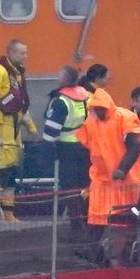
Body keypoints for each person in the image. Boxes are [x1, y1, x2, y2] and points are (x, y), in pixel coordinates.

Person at [75, 89, 140, 267]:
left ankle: (124, 256)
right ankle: (96, 255)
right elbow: (85, 148)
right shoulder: (92, 121)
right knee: (96, 218)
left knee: (124, 220)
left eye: (96, 110)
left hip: (124, 181)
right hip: (101, 180)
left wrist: (122, 169)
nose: (93, 113)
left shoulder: (125, 118)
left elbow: (135, 147)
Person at [0, 39, 39, 222]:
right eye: (22, 53)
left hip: (14, 132)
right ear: (12, 53)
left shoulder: (17, 75)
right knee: (1, 174)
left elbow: (20, 104)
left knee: (11, 174)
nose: (25, 56)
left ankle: (8, 213)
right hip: (2, 131)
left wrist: (31, 127)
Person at [42, 65, 90, 237]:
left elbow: (51, 132)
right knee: (84, 187)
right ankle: (88, 224)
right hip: (85, 148)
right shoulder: (86, 97)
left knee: (69, 190)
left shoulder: (60, 101)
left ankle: (76, 229)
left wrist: (47, 151)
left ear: (63, 80)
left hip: (66, 150)